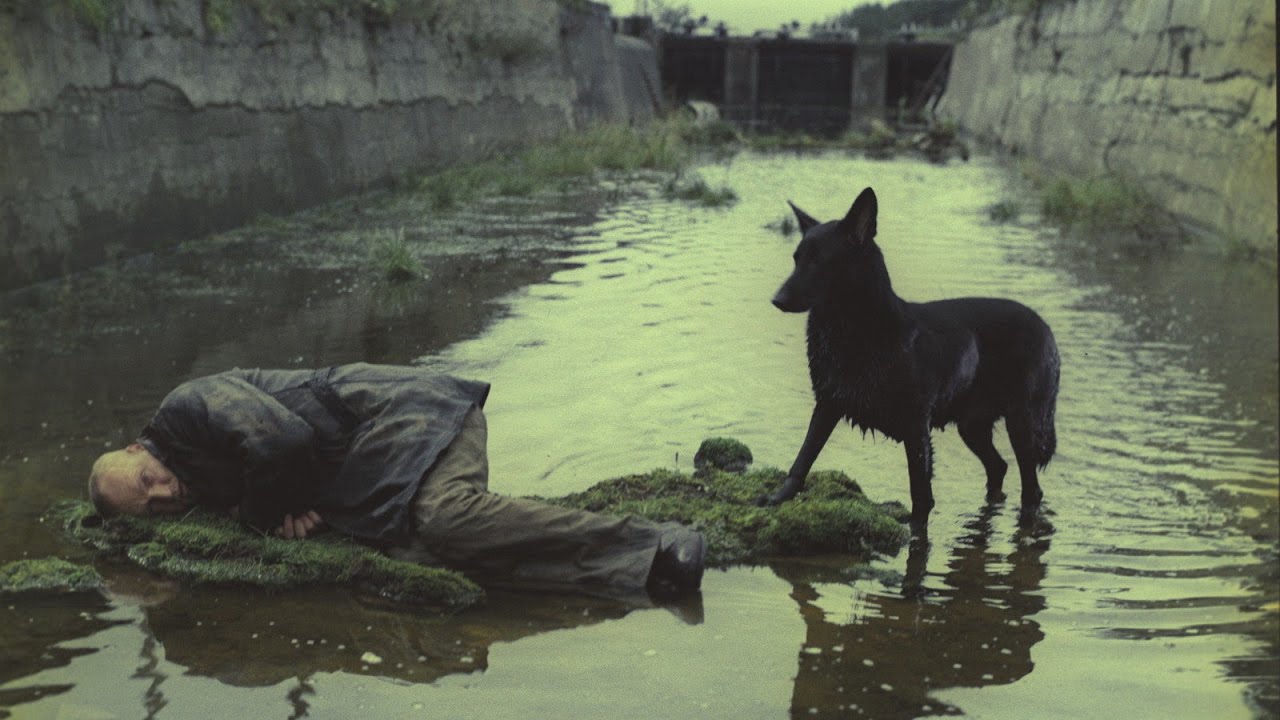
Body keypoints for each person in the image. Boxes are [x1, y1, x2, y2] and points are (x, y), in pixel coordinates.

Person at [88, 363, 705, 599]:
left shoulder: (186, 405)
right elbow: (279, 473)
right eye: (151, 507)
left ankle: (656, 538)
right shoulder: (192, 477)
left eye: (147, 478)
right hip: (378, 467)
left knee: (446, 517)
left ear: (134, 446)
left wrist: (267, 514)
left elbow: (283, 442)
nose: (164, 494)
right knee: (421, 553)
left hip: (411, 415)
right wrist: (286, 507)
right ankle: (644, 577)